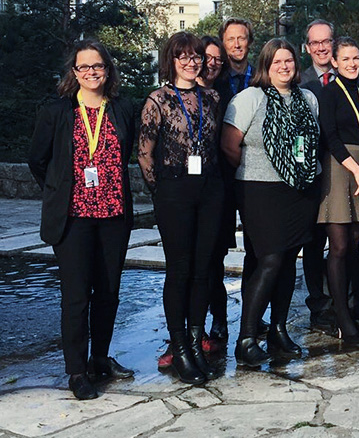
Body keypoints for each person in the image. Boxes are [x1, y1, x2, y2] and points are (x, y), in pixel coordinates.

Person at [29, 40, 136, 400]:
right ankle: (77, 371)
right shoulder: (57, 111)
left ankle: (100, 358)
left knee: (108, 293)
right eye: (84, 66)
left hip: (113, 215)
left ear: (108, 69)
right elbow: (37, 160)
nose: (92, 72)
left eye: (98, 65)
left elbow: (127, 152)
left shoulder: (122, 109)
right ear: (74, 72)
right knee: (76, 296)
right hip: (73, 219)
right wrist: (59, 190)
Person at [221, 39, 321, 365]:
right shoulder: (249, 98)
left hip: (300, 190)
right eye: (277, 61)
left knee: (289, 259)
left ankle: (278, 329)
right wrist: (261, 169)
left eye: (288, 60)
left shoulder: (307, 98)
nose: (284, 66)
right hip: (259, 190)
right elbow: (229, 146)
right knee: (270, 259)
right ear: (265, 65)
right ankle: (246, 338)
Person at [138, 32, 224, 385]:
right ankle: (179, 347)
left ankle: (195, 340)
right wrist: (162, 192)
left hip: (210, 189)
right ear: (171, 60)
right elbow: (145, 154)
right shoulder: (157, 100)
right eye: (183, 56)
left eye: (196, 56)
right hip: (173, 191)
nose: (191, 62)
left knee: (204, 269)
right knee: (179, 270)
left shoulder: (212, 98)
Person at [317, 37, 359, 341]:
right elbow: (330, 136)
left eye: (356, 58)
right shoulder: (329, 93)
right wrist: (357, 172)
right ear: (335, 62)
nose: (352, 64)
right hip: (340, 167)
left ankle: (350, 308)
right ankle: (340, 315)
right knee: (339, 245)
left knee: (354, 243)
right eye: (346, 59)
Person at [195, 35, 234, 346]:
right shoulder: (176, 93)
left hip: (219, 187)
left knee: (214, 260)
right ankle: (189, 329)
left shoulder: (223, 96)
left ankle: (218, 318)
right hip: (186, 191)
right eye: (208, 57)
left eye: (218, 59)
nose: (213, 63)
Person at [298, 19, 338, 329]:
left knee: (342, 241)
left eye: (326, 41)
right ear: (307, 47)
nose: (322, 47)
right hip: (311, 173)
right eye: (316, 42)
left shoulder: (351, 74)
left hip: (343, 171)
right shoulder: (298, 81)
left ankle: (343, 301)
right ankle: (318, 305)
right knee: (313, 243)